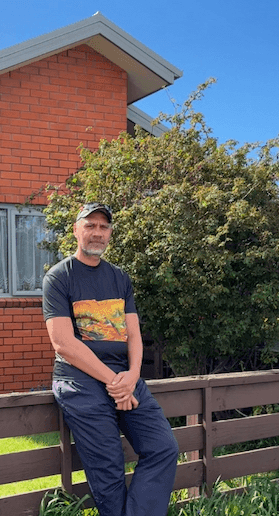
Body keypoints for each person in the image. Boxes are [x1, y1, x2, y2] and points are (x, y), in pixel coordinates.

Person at [42, 202, 179, 516]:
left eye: (103, 227)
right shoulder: (58, 278)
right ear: (76, 230)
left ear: (110, 233)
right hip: (79, 381)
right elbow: (63, 343)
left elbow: (134, 334)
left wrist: (132, 376)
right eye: (90, 225)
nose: (97, 233)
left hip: (124, 378)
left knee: (163, 447)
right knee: (109, 467)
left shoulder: (119, 278)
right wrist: (116, 382)